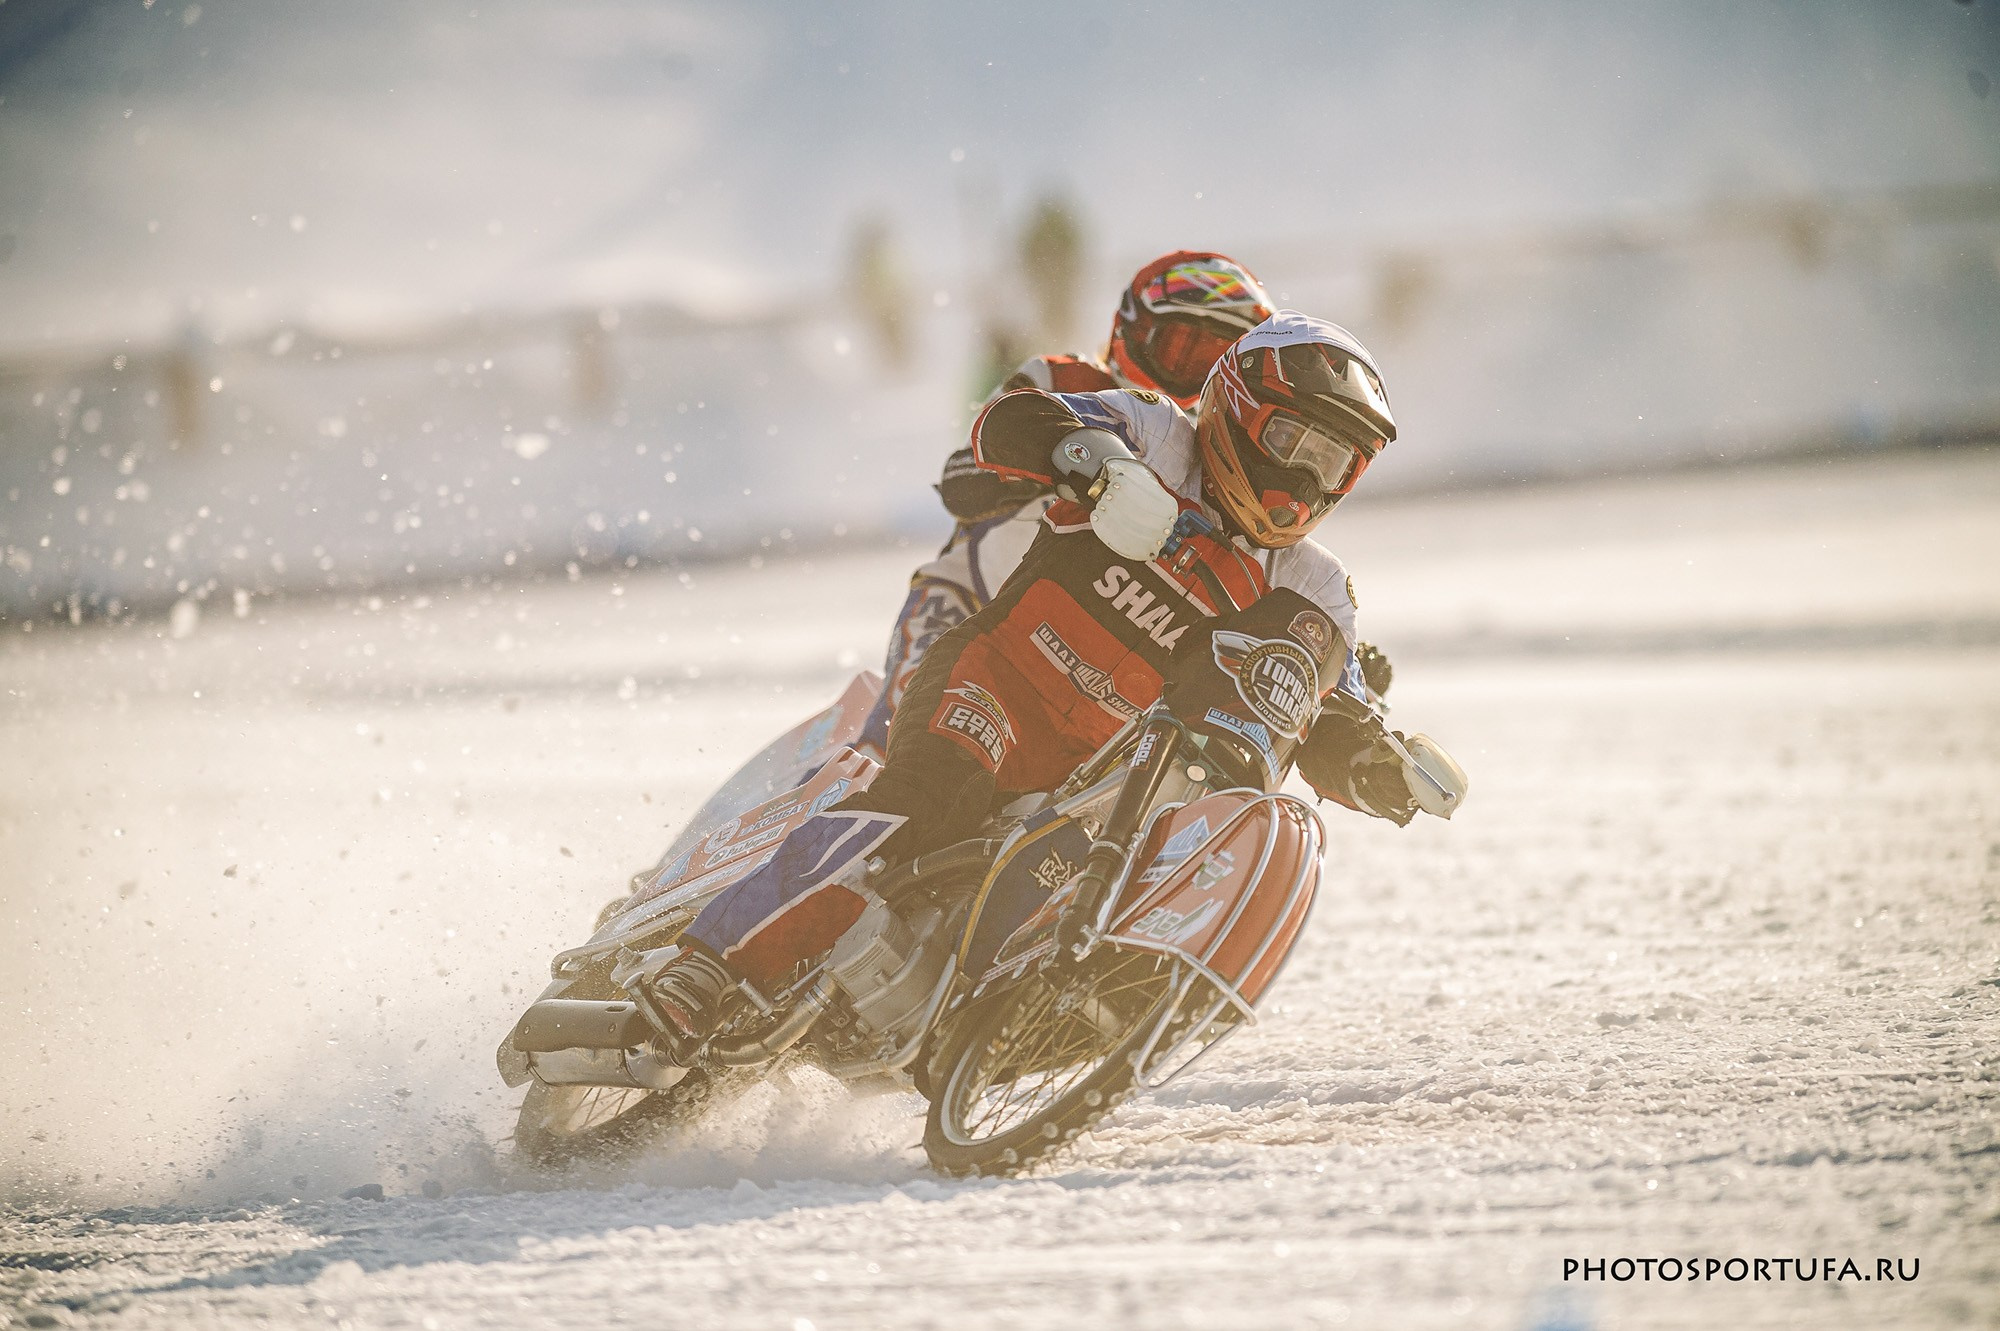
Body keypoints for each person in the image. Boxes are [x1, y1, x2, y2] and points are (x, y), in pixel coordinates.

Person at [647, 311, 1429, 1050]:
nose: (1305, 476)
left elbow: (1333, 714)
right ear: (1238, 407)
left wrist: (1379, 767)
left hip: (1088, 781)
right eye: (1292, 439)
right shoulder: (1160, 434)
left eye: (1333, 462)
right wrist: (1100, 470)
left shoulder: (1315, 588)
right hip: (992, 682)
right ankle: (707, 962)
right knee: (926, 799)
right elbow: (1011, 424)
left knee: (1041, 908)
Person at [858, 251, 1279, 753]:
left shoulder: (1227, 472)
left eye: (1220, 363)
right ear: (1133, 333)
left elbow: (1270, 572)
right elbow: (964, 476)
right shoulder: (1063, 386)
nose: (1198, 382)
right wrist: (1060, 465)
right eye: (1184, 351)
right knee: (900, 747)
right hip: (971, 607)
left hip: (1096, 667)